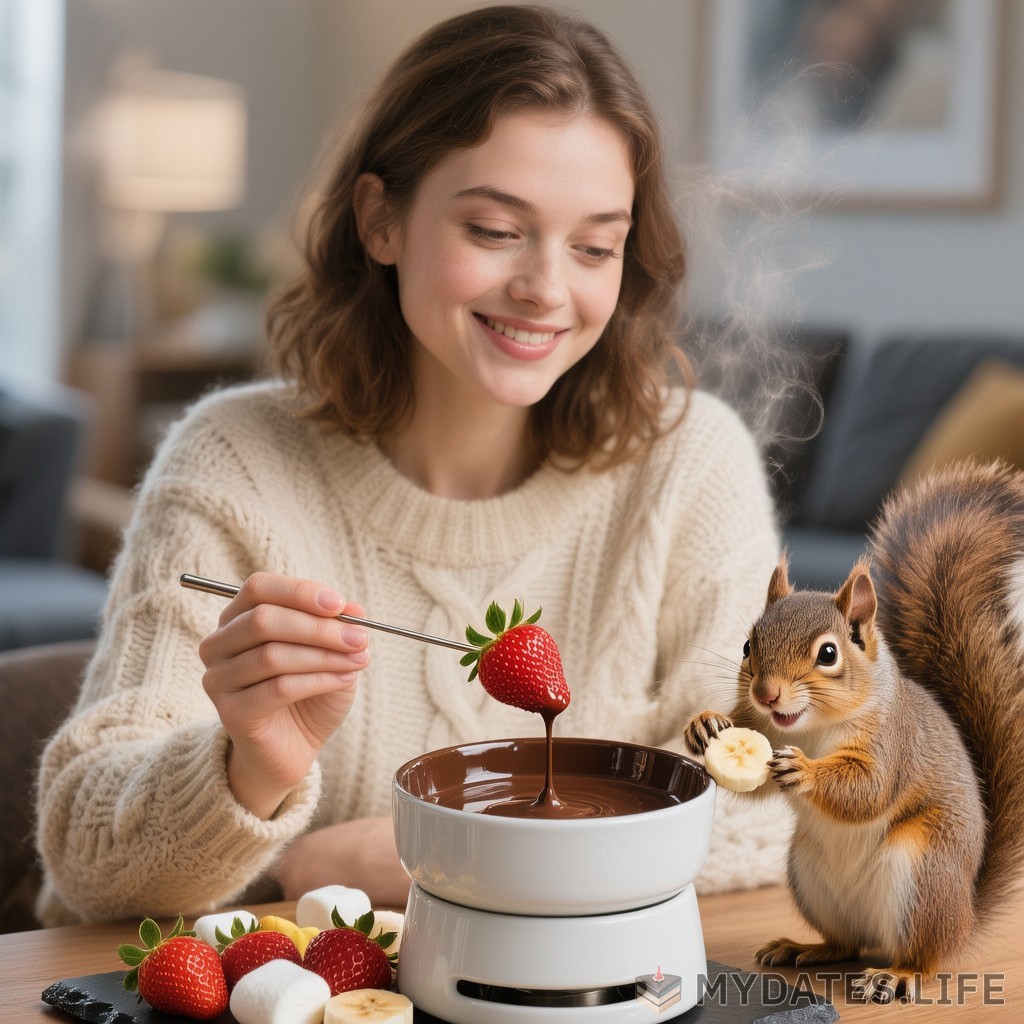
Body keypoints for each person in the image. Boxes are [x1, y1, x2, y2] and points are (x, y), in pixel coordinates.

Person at [36, 4, 788, 926]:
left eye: (595, 247)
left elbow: (783, 791)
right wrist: (250, 769)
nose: (549, 289)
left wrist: (428, 849)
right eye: (494, 230)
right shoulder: (234, 462)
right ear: (380, 219)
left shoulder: (689, 464)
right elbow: (85, 863)